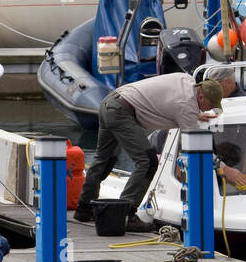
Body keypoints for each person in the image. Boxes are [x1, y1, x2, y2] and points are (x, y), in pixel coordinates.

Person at [74, 74, 225, 226]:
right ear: (201, 96)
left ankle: (84, 208)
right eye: (210, 104)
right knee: (148, 161)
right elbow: (195, 145)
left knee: (103, 159)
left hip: (110, 102)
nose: (210, 108)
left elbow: (170, 100)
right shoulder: (186, 105)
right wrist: (224, 167)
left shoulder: (186, 79)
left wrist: (195, 114)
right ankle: (127, 214)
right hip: (122, 111)